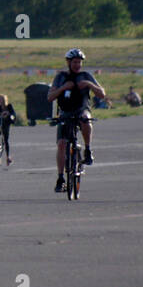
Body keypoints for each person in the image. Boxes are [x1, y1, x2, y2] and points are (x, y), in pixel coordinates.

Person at [47, 48, 106, 193]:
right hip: (65, 112)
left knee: (86, 119)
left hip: (81, 109)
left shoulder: (86, 75)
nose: (77, 65)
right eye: (74, 62)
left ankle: (87, 149)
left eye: (79, 62)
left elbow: (102, 94)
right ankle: (61, 179)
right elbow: (50, 97)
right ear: (68, 62)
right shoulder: (60, 77)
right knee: (61, 144)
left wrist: (89, 85)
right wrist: (63, 88)